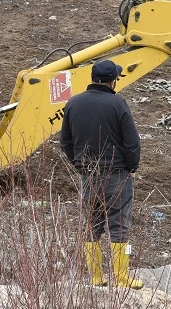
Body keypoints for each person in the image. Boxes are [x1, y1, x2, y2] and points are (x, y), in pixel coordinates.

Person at [59, 59, 143, 289]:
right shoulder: (118, 103)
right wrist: (131, 167)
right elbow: (132, 143)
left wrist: (80, 165)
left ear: (93, 78)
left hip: (88, 175)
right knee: (120, 224)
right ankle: (122, 277)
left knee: (92, 224)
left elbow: (65, 141)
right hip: (117, 175)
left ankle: (96, 277)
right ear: (113, 80)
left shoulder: (73, 103)